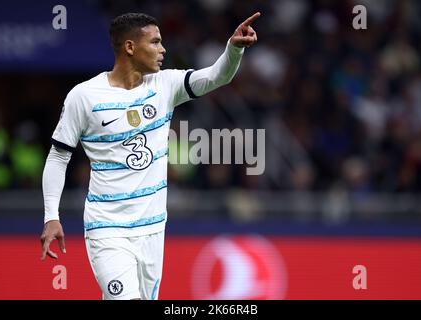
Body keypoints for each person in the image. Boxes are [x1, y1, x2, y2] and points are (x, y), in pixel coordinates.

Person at [40, 11, 260, 300]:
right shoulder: (84, 96)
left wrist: (234, 48)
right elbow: (58, 157)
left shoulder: (164, 85)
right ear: (130, 47)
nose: (163, 49)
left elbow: (216, 77)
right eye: (155, 42)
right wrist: (51, 216)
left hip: (153, 229)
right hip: (108, 230)